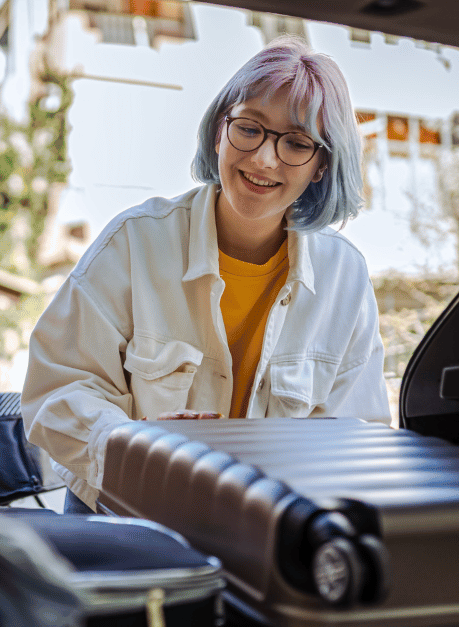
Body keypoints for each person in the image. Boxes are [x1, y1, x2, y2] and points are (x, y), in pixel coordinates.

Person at [21, 37, 391, 514]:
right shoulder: (134, 243)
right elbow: (60, 387)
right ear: (220, 132)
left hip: (266, 523)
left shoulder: (345, 278)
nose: (262, 159)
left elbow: (357, 437)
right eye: (249, 128)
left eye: (297, 143)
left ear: (322, 165)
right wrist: (137, 448)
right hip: (127, 511)